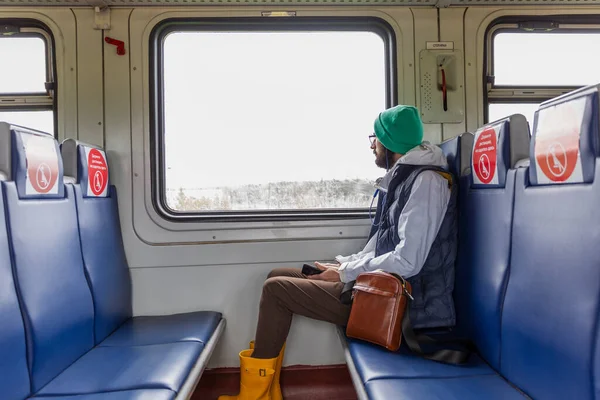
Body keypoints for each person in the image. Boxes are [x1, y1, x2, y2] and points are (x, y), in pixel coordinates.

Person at [218, 105, 458, 400]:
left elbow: (408, 261)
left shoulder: (427, 183)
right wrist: (343, 264)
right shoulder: (405, 178)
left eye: (376, 137)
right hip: (383, 287)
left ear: (391, 143)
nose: (372, 144)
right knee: (278, 275)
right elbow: (382, 242)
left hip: (405, 304)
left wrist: (345, 273)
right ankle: (269, 391)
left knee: (276, 290)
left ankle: (255, 396)